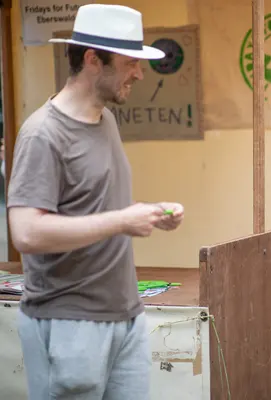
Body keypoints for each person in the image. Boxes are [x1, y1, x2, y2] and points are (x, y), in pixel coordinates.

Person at [7, 5, 183, 399]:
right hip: (68, 322)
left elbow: (93, 209)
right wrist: (123, 221)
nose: (139, 73)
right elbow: (26, 232)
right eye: (129, 63)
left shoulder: (106, 120)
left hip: (125, 316)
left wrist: (148, 214)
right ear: (92, 59)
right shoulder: (42, 134)